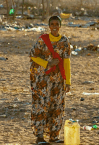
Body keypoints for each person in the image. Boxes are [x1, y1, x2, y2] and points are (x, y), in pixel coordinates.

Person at [29, 16, 71, 144]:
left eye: (56, 24)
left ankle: (54, 136)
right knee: (41, 105)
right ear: (49, 26)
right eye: (52, 24)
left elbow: (66, 61)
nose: (54, 26)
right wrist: (48, 63)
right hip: (42, 79)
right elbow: (33, 55)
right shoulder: (42, 40)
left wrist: (68, 81)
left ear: (60, 26)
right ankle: (40, 136)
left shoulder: (64, 41)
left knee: (57, 106)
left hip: (57, 80)